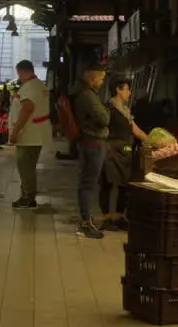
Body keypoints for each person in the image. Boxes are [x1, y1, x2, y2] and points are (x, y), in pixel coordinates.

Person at [99, 80, 147, 230]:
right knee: (107, 183)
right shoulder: (108, 109)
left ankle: (119, 216)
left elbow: (135, 129)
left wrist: (152, 141)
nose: (129, 93)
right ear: (118, 90)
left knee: (124, 183)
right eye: (127, 89)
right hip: (110, 150)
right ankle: (106, 218)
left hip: (124, 150)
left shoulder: (125, 110)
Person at [73, 64, 110, 239]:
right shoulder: (88, 95)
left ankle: (85, 220)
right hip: (93, 142)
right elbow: (104, 118)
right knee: (88, 184)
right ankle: (85, 224)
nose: (102, 82)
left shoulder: (81, 92)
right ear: (94, 78)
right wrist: (106, 111)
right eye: (101, 79)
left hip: (88, 141)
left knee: (86, 182)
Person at [9, 60, 51, 209]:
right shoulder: (40, 85)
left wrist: (15, 131)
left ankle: (28, 197)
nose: (18, 77)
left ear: (22, 71)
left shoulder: (29, 87)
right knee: (28, 166)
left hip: (29, 134)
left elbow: (27, 108)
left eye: (19, 73)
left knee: (25, 166)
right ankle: (27, 195)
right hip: (35, 133)